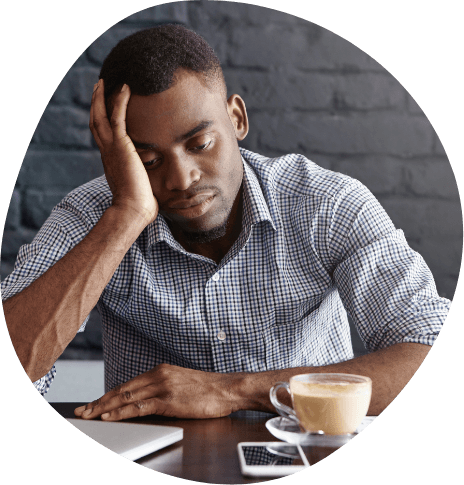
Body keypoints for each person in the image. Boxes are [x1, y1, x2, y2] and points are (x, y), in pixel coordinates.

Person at [1, 24, 449, 421]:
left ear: (236, 118)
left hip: (306, 451)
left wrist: (233, 392)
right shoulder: (93, 216)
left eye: (200, 143)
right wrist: (125, 217)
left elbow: (431, 356)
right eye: (149, 159)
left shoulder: (326, 204)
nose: (181, 178)